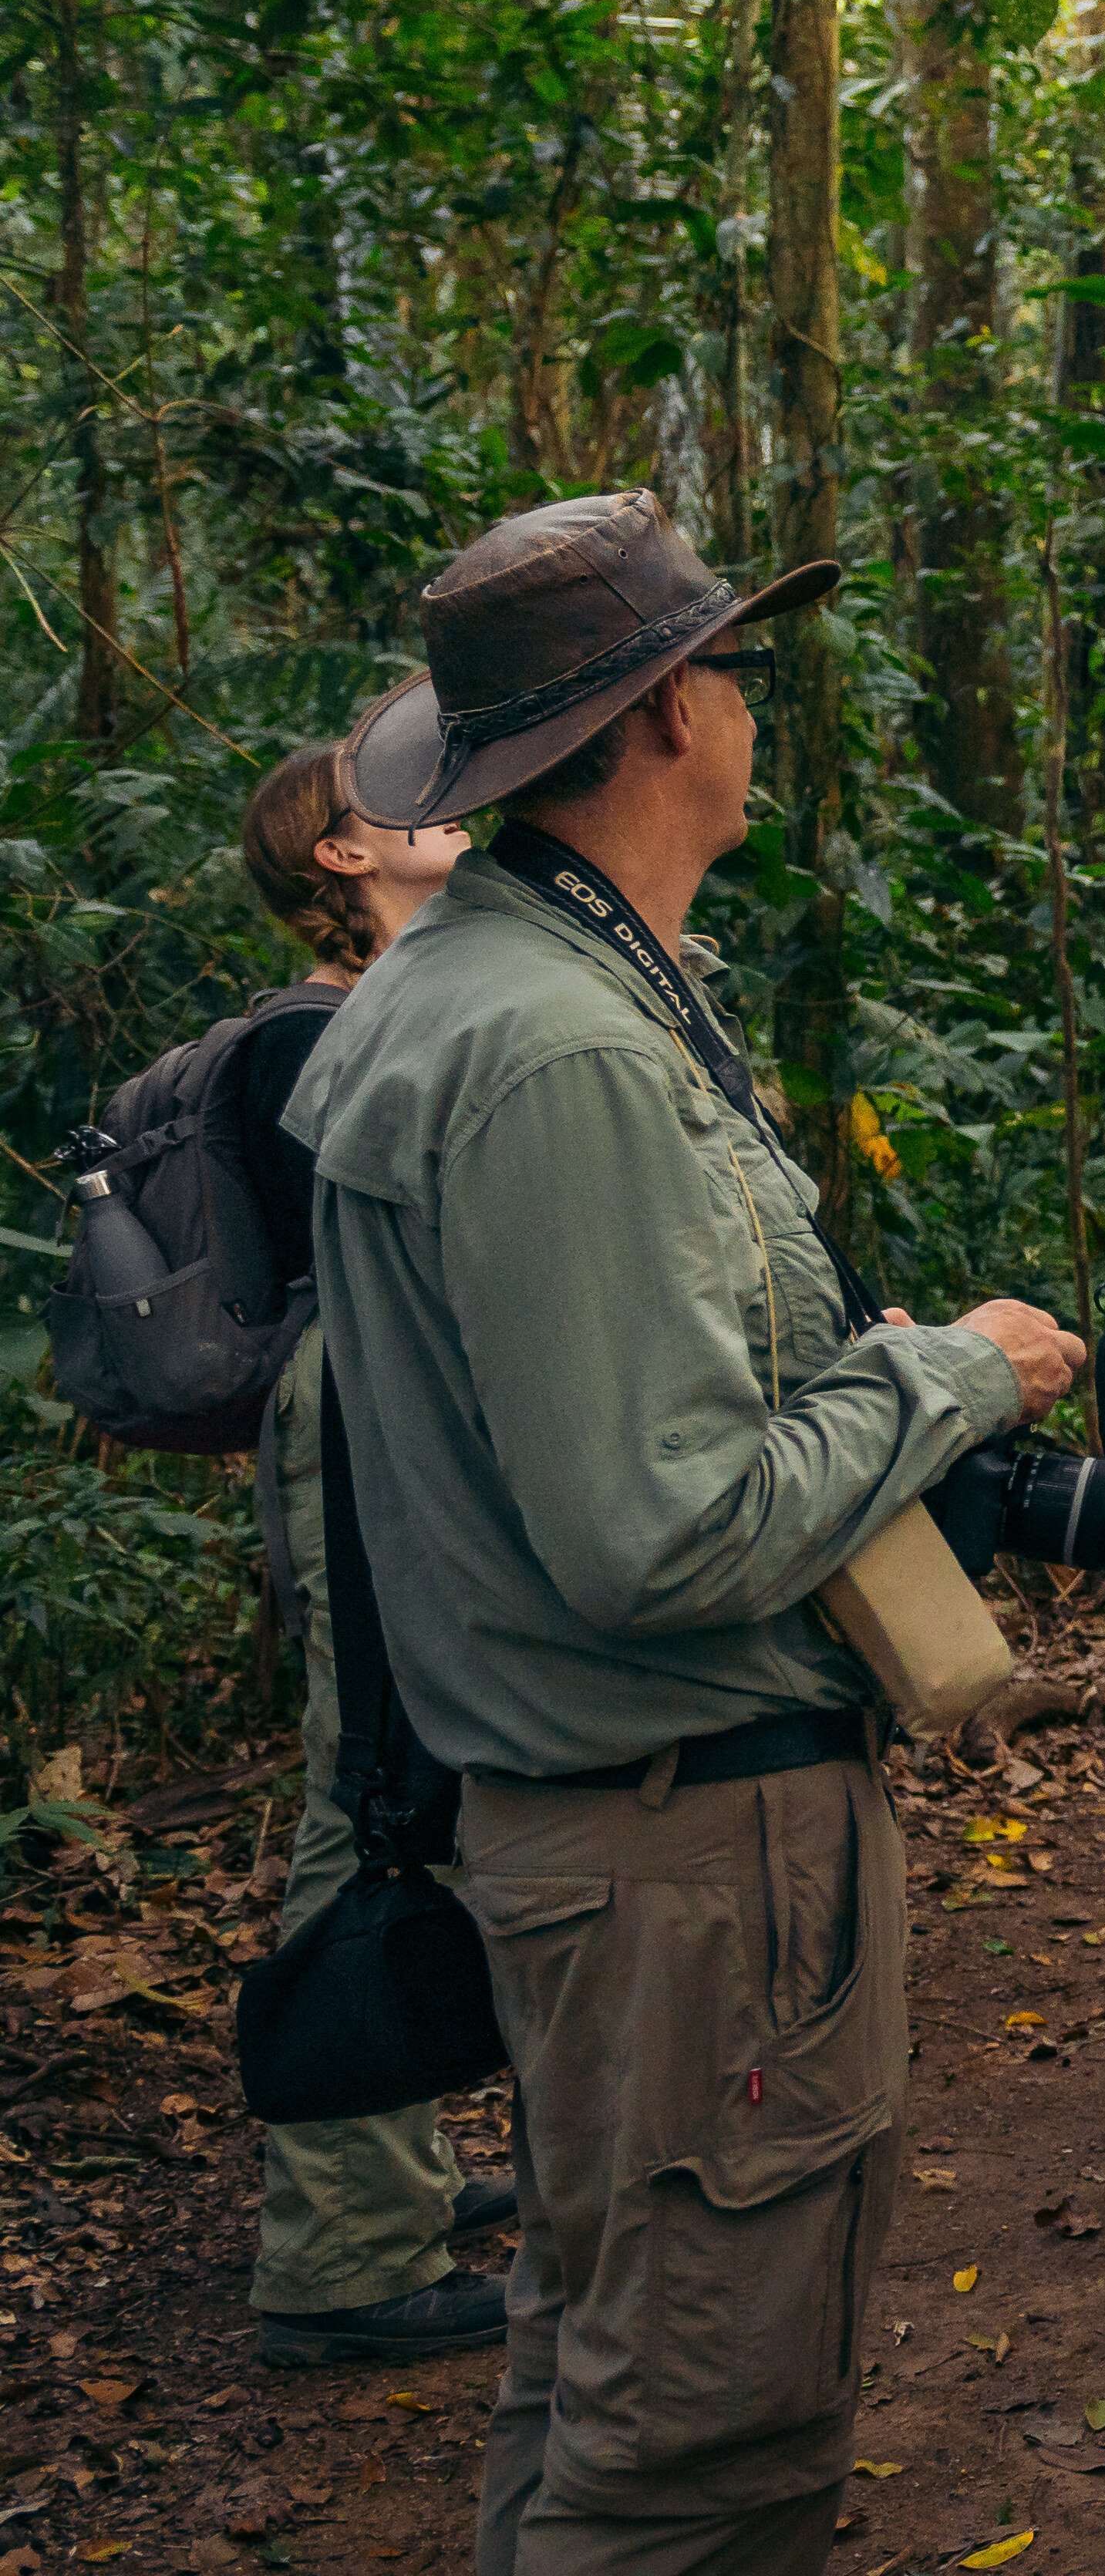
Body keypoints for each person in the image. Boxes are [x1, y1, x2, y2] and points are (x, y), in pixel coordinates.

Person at [281, 490, 1088, 2575]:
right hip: (683, 1856)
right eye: (731, 668)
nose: (747, 705)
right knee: (705, 2451)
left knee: (602, 2374)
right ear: (662, 716)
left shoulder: (524, 985)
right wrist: (959, 1376)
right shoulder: (556, 1048)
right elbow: (659, 1533)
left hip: (625, 1837)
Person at [233, 739, 517, 2368]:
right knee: (368, 1792)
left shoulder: (403, 1001)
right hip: (356, 1419)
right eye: (385, 795)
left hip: (397, 1410)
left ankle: (391, 2162)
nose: (436, 801)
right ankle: (340, 2255)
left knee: (413, 1783)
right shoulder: (313, 1034)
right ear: (337, 858)